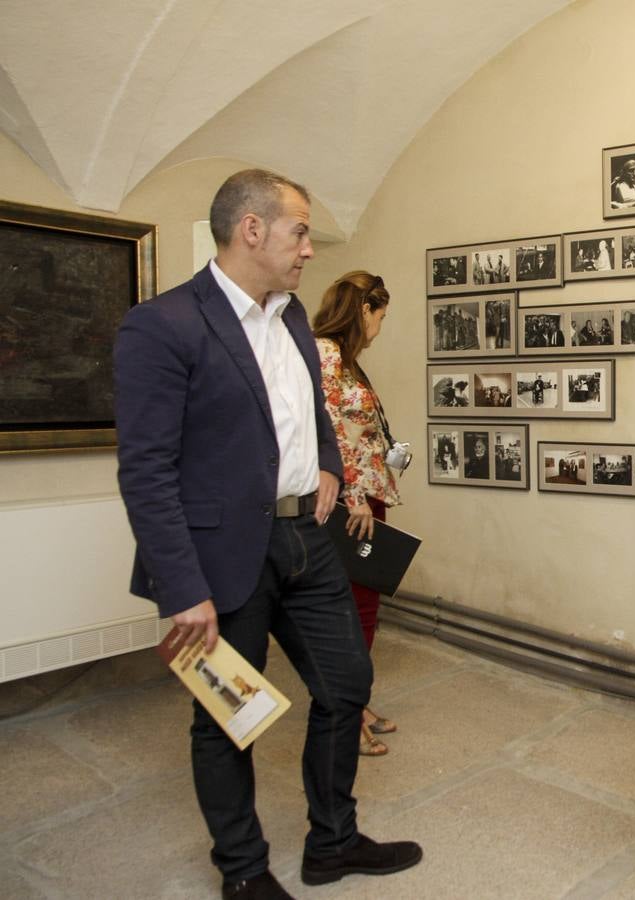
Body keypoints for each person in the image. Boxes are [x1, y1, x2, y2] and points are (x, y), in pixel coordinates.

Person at [113, 169, 421, 899]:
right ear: (252, 229)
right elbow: (146, 471)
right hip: (220, 555)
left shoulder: (289, 317)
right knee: (228, 717)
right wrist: (183, 589)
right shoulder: (163, 325)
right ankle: (243, 870)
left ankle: (333, 844)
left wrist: (325, 465)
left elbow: (307, 406)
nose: (310, 248)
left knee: (347, 685)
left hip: (306, 539)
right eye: (300, 231)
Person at [312, 270, 403, 758]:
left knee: (362, 608)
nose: (381, 327)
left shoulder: (346, 361)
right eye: (381, 316)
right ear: (364, 310)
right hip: (352, 504)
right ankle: (344, 716)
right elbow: (321, 430)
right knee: (352, 609)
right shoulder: (325, 355)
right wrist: (352, 497)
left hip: (367, 497)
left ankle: (356, 703)